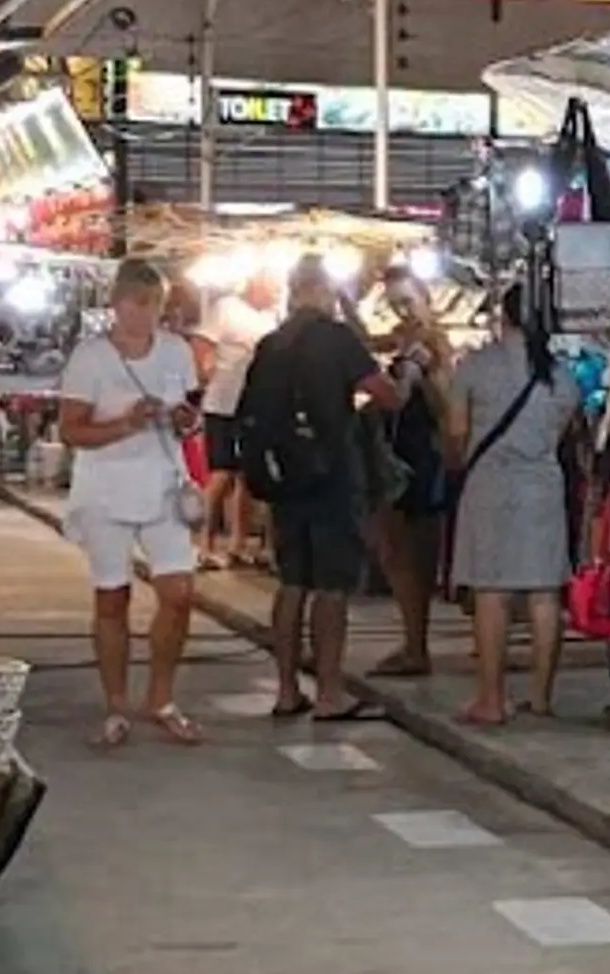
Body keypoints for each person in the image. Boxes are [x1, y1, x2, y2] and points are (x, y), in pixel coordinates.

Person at [57, 258, 205, 748]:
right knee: (112, 596)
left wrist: (184, 420)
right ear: (117, 305)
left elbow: (190, 414)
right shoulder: (90, 357)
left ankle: (161, 697)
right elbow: (72, 429)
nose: (143, 314)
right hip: (106, 485)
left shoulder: (177, 351)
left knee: (179, 593)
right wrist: (125, 423)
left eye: (153, 305)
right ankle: (116, 703)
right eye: (135, 304)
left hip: (163, 480)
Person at [238, 261, 392, 722]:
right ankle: (329, 693)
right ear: (324, 291)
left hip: (285, 478)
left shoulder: (271, 344)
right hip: (331, 476)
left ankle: (286, 690)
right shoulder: (336, 338)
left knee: (291, 584)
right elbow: (383, 393)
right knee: (331, 587)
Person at [444, 287, 586, 726]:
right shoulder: (561, 376)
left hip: (489, 485)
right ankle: (541, 698)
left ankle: (491, 699)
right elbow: (562, 433)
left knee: (492, 592)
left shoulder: (474, 367)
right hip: (542, 486)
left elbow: (455, 432)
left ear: (501, 316)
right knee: (545, 592)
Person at [369, 280, 465, 678]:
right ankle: (412, 641)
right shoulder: (402, 345)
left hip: (422, 460)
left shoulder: (436, 349)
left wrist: (421, 374)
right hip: (399, 456)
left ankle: (415, 645)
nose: (401, 312)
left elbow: (448, 409)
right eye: (393, 304)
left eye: (407, 302)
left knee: (411, 553)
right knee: (396, 552)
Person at [196, 264, 281, 572]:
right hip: (222, 403)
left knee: (249, 474)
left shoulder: (272, 318)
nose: (276, 292)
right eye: (272, 285)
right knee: (222, 473)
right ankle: (205, 543)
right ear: (256, 282)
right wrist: (204, 376)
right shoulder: (226, 308)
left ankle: (238, 542)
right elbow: (203, 344)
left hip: (255, 405)